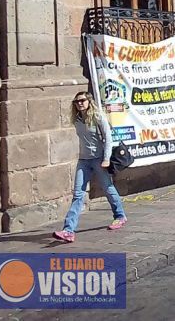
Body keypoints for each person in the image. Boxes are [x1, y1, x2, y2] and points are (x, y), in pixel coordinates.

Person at [53, 92, 126, 243]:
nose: (79, 103)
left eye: (82, 101)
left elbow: (108, 139)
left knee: (107, 188)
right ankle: (68, 230)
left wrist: (106, 159)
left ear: (89, 101)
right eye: (76, 102)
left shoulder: (98, 117)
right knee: (78, 194)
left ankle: (120, 216)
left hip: (99, 159)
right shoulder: (77, 119)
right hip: (84, 160)